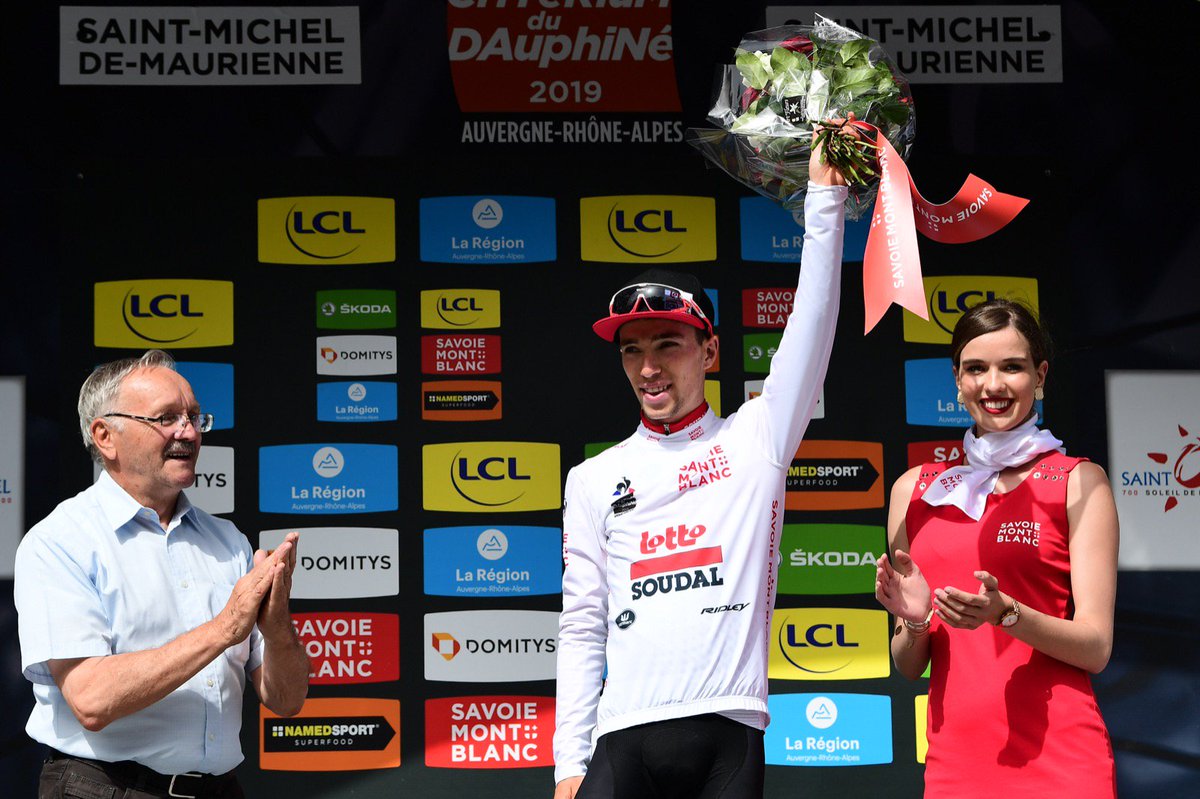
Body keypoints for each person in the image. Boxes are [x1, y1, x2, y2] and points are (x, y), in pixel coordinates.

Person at [553, 139, 851, 798]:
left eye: (668, 344)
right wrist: (569, 763)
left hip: (727, 731)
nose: (649, 367)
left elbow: (814, 320)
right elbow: (581, 625)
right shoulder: (593, 478)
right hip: (620, 735)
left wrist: (826, 197)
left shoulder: (758, 437)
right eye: (632, 350)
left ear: (709, 349)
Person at [14, 350, 309, 799]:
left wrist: (278, 626)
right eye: (167, 418)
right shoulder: (61, 541)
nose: (188, 432)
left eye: (194, 417)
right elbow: (91, 700)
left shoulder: (228, 540)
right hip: (103, 789)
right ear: (105, 436)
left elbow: (286, 701)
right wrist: (225, 628)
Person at [874, 299, 1118, 796]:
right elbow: (907, 663)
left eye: (1012, 367)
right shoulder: (914, 490)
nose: (993, 385)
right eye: (976, 369)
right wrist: (917, 620)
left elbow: (1096, 648)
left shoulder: (1079, 482)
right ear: (957, 380)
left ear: (1040, 375)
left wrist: (1007, 613)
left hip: (1062, 759)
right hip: (954, 763)